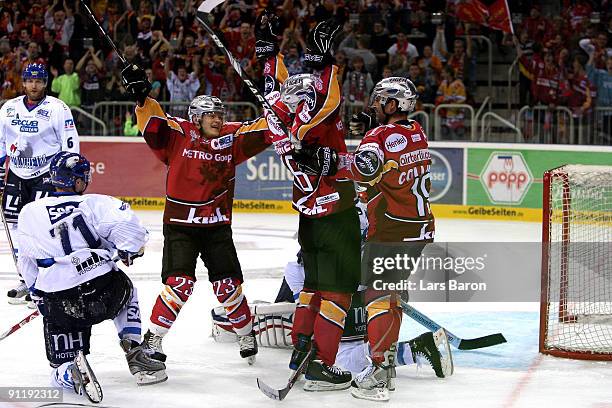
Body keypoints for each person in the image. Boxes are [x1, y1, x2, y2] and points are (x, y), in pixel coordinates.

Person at [293, 77, 453, 401]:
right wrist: (369, 133)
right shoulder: (417, 131)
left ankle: (379, 375)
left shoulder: (379, 138)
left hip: (393, 229)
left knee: (377, 297)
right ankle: (387, 368)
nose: (373, 105)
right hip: (418, 228)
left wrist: (324, 159)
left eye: (380, 101)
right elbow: (385, 157)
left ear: (392, 105)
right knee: (389, 297)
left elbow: (357, 169)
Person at [120, 63, 272, 371]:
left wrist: (279, 107)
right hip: (180, 226)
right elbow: (154, 124)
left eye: (220, 114)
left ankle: (245, 333)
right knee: (179, 284)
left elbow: (264, 129)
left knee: (228, 287)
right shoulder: (178, 134)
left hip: (216, 227)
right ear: (195, 118)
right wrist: (141, 99)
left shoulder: (231, 138)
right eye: (210, 115)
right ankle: (154, 338)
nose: (217, 119)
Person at [256, 13, 361, 391]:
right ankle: (321, 363)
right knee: (338, 290)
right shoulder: (314, 120)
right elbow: (331, 95)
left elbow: (273, 89)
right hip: (335, 213)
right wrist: (322, 54)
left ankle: (301, 348)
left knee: (311, 286)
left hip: (309, 215)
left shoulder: (278, 121)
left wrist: (268, 50)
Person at [16, 151, 167, 403]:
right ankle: (133, 349)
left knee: (58, 366)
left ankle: (67, 371)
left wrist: (37, 296)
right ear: (76, 181)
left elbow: (27, 262)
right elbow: (132, 235)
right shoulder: (98, 203)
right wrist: (128, 250)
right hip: (103, 292)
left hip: (59, 303)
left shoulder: (30, 212)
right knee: (128, 290)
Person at [0, 63, 79, 305]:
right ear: (23, 82)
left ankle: (49, 280)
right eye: (29, 81)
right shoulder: (9, 108)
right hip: (17, 174)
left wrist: (70, 172)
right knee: (14, 229)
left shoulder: (57, 108)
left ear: (45, 83)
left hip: (46, 174)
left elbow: (70, 143)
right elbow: (2, 142)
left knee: (43, 227)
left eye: (39, 81)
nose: (34, 85)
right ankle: (27, 279)